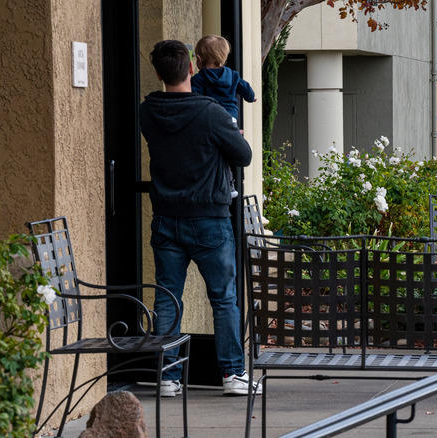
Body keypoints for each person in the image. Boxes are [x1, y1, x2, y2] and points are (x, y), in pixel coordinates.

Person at [140, 39, 255, 397]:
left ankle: (167, 377)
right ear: (191, 68)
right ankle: (233, 374)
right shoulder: (211, 112)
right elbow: (244, 155)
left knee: (167, 298)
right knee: (223, 299)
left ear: (158, 73)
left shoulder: (147, 112)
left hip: (165, 218)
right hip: (210, 220)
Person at [191, 34, 256, 198]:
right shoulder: (233, 75)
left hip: (211, 119)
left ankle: (220, 184)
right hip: (230, 119)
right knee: (226, 153)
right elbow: (246, 89)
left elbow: (194, 99)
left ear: (199, 59)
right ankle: (230, 184)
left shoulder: (199, 79)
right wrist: (252, 97)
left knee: (213, 151)